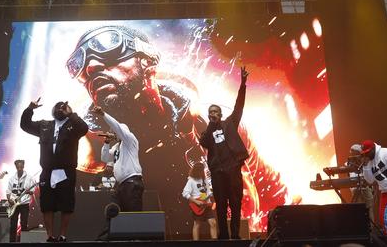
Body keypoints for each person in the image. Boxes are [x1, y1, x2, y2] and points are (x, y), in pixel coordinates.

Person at [68, 25, 286, 236]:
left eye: (108, 48)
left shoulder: (214, 127)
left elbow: (276, 198)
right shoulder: (74, 159)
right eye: (79, 64)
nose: (91, 66)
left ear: (148, 61)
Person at [20, 98, 89, 242]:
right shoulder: (45, 125)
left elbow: (84, 129)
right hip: (47, 171)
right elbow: (25, 125)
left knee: (67, 205)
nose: (60, 109)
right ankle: (50, 235)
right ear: (52, 110)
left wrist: (72, 114)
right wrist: (30, 109)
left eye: (63, 107)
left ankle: (63, 235)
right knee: (47, 205)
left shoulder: (73, 125)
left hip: (66, 171)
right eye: (57, 107)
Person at [199, 65, 249, 239]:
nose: (213, 114)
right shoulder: (207, 132)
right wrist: (210, 125)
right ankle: (224, 236)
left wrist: (243, 84)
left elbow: (239, 106)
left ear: (220, 114)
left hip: (233, 169)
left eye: (215, 112)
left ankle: (235, 235)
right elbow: (203, 143)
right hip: (218, 172)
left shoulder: (229, 123)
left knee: (235, 203)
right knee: (221, 205)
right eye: (210, 112)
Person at [92, 106, 144, 211]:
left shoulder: (130, 140)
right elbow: (105, 158)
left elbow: (117, 127)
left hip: (132, 183)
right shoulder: (117, 146)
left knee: (132, 214)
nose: (114, 133)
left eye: (115, 132)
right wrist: (106, 143)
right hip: (121, 185)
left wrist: (103, 114)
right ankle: (111, 227)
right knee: (114, 211)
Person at [182, 163, 217, 240]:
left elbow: (208, 192)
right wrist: (196, 201)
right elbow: (185, 193)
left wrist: (210, 194)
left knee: (213, 223)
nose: (203, 172)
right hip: (197, 206)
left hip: (206, 205)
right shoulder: (191, 181)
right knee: (197, 224)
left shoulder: (204, 180)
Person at [7, 159, 37, 242]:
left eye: (21, 167)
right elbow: (8, 191)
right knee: (13, 224)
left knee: (23, 224)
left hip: (24, 204)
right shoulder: (12, 178)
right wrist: (9, 200)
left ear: (23, 166)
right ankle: (12, 242)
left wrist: (29, 191)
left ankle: (23, 242)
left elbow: (33, 190)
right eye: (18, 167)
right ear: (16, 167)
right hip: (14, 204)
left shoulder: (30, 177)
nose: (19, 168)